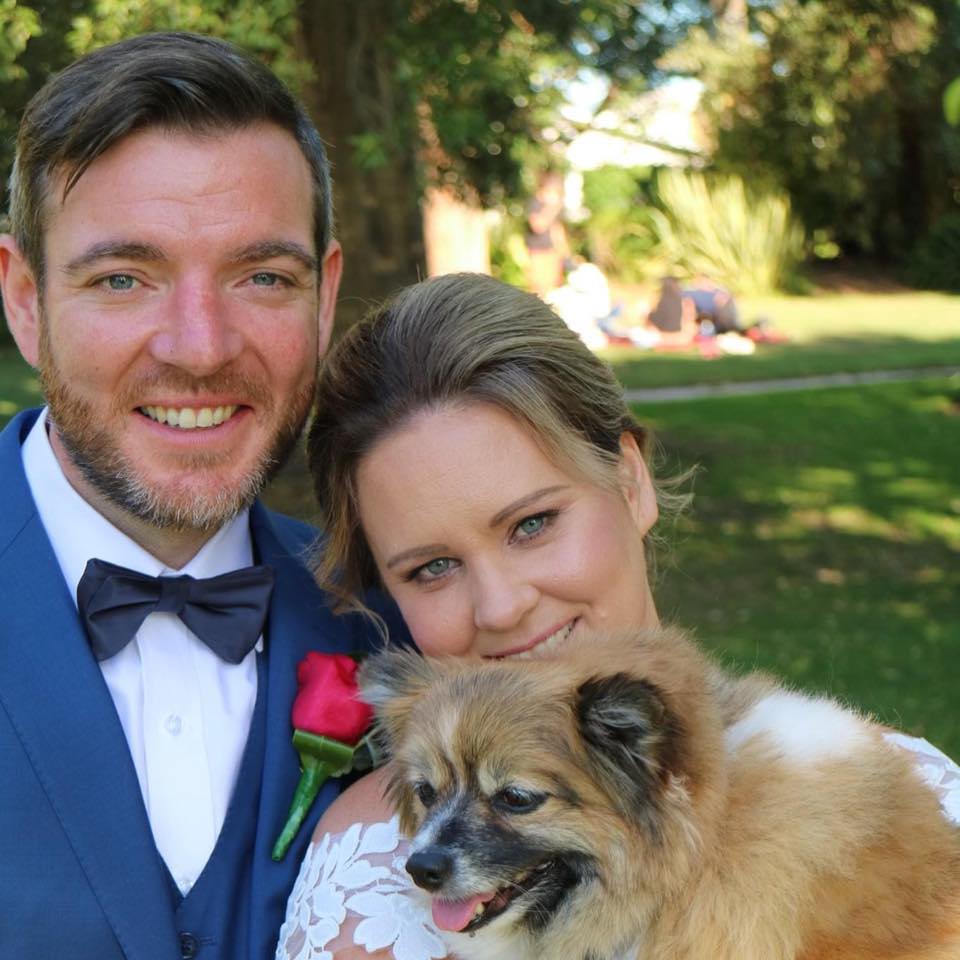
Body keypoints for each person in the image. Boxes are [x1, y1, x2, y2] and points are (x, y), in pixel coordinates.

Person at [276, 272, 960, 960]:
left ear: (631, 483)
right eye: (432, 568)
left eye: (532, 523)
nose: (502, 606)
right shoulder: (368, 890)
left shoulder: (901, 802)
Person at [0, 32, 401, 960]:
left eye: (262, 277)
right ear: (25, 299)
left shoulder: (394, 621)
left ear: (324, 297)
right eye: (123, 279)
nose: (201, 347)